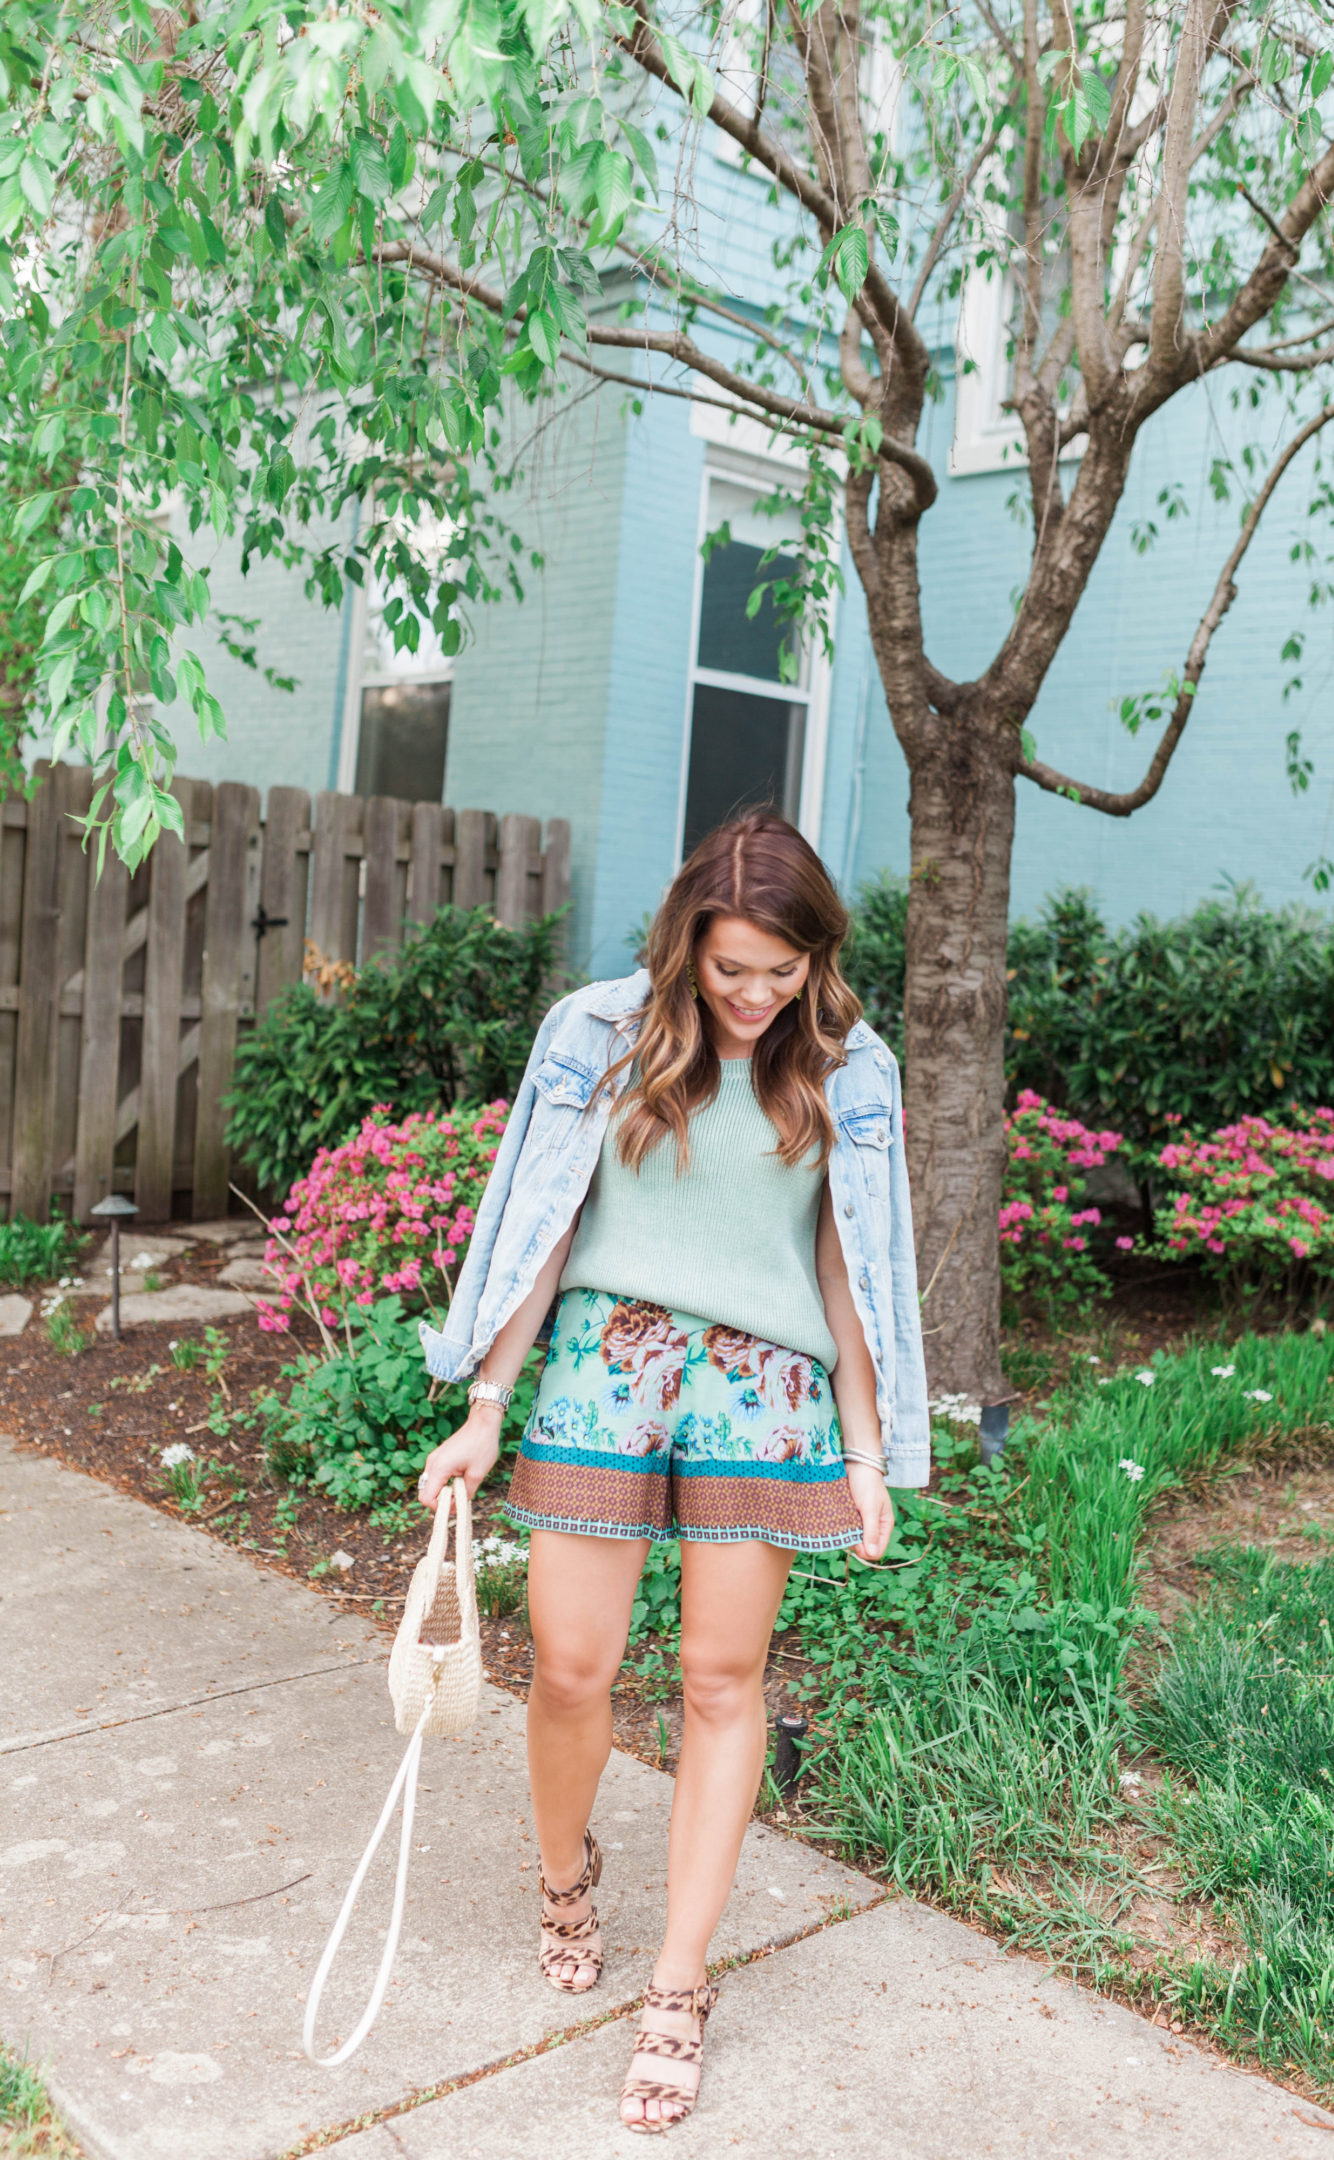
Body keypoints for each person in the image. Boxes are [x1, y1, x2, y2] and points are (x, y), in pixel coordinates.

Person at [416, 810, 927, 2134]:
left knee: (719, 1678)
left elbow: (849, 1269)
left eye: (785, 970)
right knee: (575, 1667)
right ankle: (563, 1871)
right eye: (733, 968)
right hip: (601, 1359)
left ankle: (678, 1986)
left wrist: (867, 1452)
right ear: (687, 945)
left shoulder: (851, 1066)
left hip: (765, 1387)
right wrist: (485, 1404)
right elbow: (543, 1221)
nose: (758, 996)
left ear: (819, 957)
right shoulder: (598, 1034)